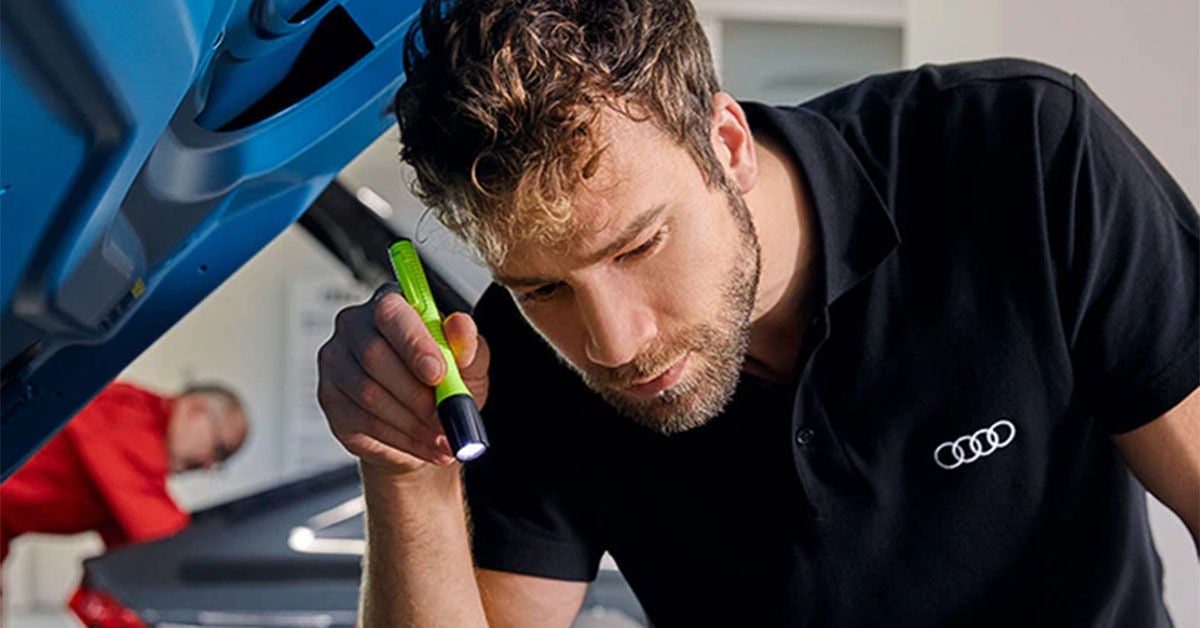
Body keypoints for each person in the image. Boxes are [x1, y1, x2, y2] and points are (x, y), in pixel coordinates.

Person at [316, 1, 1199, 625]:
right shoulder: (522, 355)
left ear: (726, 143)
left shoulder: (1024, 154)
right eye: (544, 288)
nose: (615, 343)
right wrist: (409, 474)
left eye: (637, 247)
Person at [0, 380, 249, 563]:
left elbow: (134, 562)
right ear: (197, 410)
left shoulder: (129, 473)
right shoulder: (128, 415)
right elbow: (166, 541)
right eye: (219, 449)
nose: (209, 465)